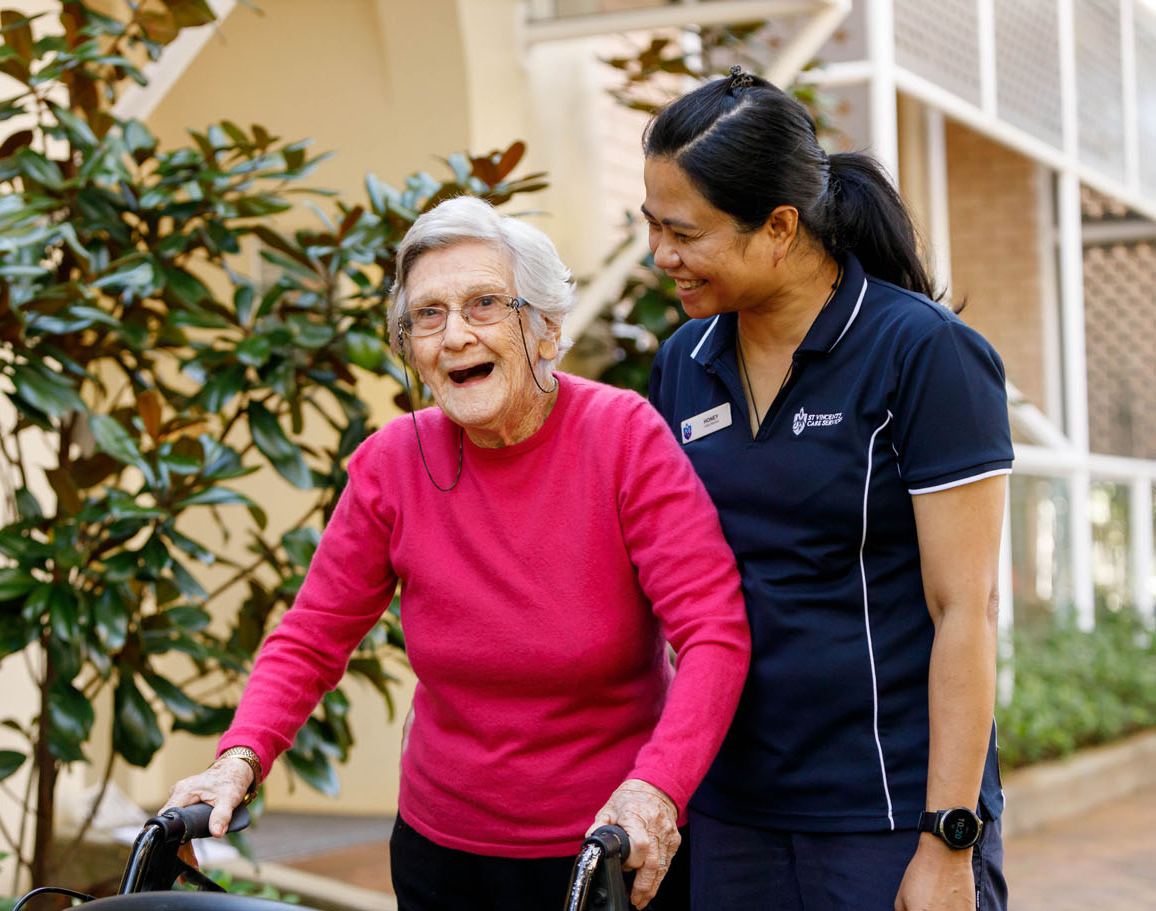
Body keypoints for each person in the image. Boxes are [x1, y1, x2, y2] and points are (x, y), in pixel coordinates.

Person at [163, 195, 750, 911]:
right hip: (441, 851)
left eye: (483, 305)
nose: (454, 336)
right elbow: (314, 636)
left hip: (609, 848)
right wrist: (240, 757)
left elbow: (713, 632)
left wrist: (655, 787)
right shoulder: (392, 462)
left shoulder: (623, 438)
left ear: (545, 329)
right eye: (428, 316)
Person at [642, 68, 1012, 911]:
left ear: (779, 227)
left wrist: (948, 838)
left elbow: (967, 609)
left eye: (684, 232)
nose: (662, 255)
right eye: (651, 224)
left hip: (884, 815)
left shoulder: (925, 354)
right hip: (732, 811)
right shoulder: (684, 365)